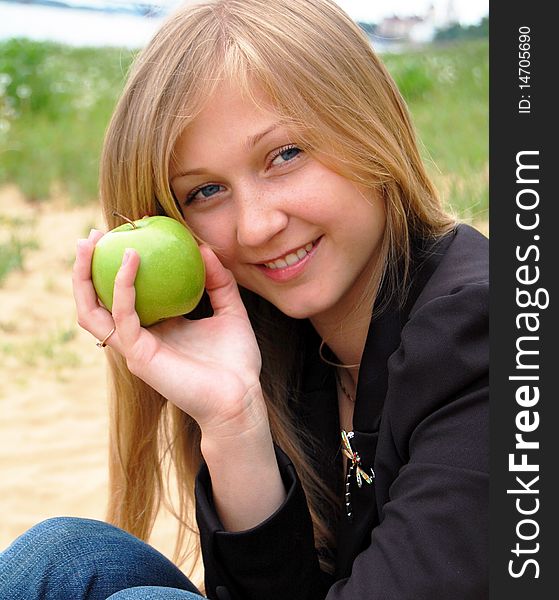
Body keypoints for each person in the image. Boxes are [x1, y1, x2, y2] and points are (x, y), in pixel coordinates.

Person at [0, 0, 489, 598]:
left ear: (369, 126)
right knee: (61, 559)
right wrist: (233, 422)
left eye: (285, 155)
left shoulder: (487, 333)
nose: (255, 227)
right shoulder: (283, 341)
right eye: (206, 191)